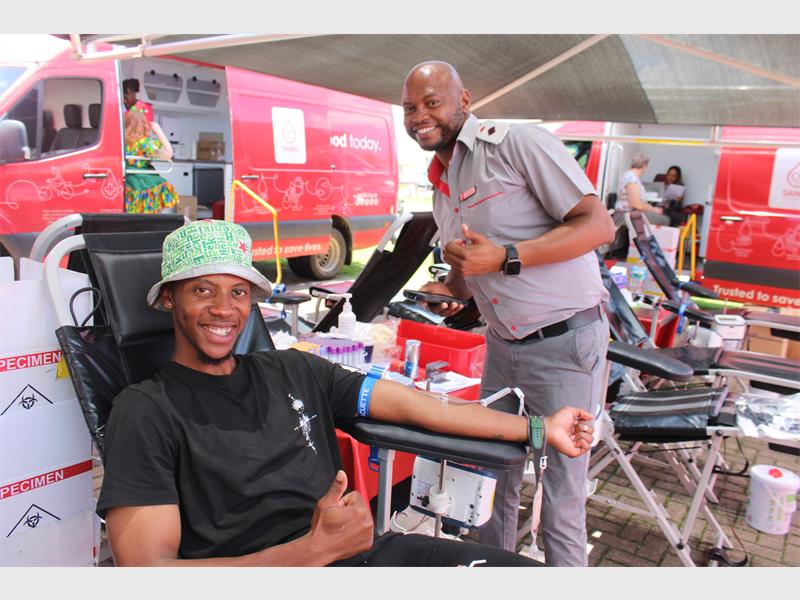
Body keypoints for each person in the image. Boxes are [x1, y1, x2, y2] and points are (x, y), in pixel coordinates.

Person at [96, 219, 596, 567]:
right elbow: (147, 571)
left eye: (238, 291)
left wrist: (539, 427)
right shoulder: (145, 409)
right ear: (168, 299)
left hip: (360, 556)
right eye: (202, 290)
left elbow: (413, 404)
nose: (224, 309)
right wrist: (308, 554)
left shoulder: (292, 369)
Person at [400, 61, 615, 566]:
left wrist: (505, 256)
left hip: (565, 343)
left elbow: (597, 225)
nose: (419, 116)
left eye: (432, 102)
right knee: (489, 482)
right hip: (503, 347)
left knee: (560, 497)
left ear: (464, 100)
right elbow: (474, 266)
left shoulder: (518, 144)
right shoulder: (440, 184)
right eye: (409, 108)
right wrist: (452, 284)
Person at [123, 108, 179, 213]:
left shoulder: (121, 142)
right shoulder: (145, 143)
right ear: (145, 125)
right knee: (162, 187)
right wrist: (158, 130)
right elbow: (169, 154)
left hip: (128, 183)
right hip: (145, 183)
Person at [617, 153, 671, 225]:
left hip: (628, 212)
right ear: (644, 166)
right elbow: (636, 204)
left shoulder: (629, 175)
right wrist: (653, 209)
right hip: (628, 214)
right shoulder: (632, 179)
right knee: (665, 219)